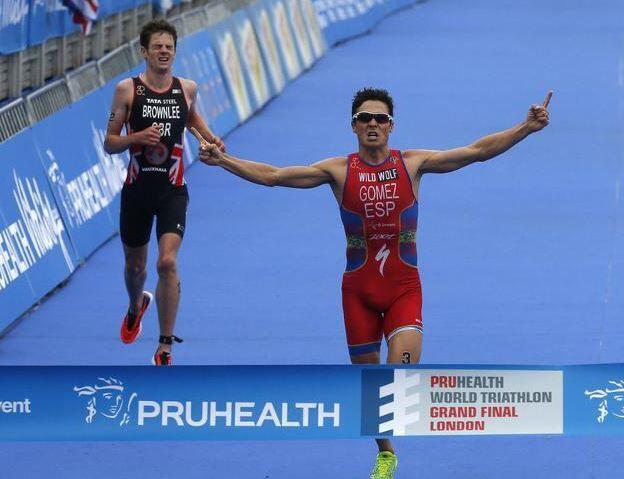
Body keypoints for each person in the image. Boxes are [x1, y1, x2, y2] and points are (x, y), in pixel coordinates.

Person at [196, 87, 551, 478]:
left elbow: (477, 151)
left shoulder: (414, 164)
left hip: (403, 289)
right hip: (357, 294)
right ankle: (386, 454)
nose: (372, 124)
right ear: (353, 126)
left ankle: (389, 432)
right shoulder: (337, 171)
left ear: (391, 126)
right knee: (369, 387)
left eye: (380, 118)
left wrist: (525, 128)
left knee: (395, 381)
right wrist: (224, 161)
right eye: (364, 118)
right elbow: (275, 177)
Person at [104, 19, 224, 366]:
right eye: (157, 46)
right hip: (137, 192)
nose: (163, 51)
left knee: (167, 262)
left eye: (169, 46)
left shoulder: (186, 88)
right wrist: (136, 138)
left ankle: (165, 345)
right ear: (144, 51)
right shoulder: (127, 90)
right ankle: (134, 305)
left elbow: (192, 119)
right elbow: (110, 142)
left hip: (173, 191)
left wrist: (210, 139)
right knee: (135, 269)